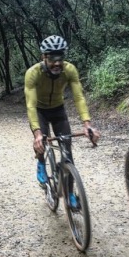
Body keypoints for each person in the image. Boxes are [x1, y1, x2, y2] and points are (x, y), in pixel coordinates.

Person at [24, 35, 100, 207]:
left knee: (68, 153)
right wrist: (37, 134)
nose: (57, 63)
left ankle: (70, 195)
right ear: (44, 57)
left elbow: (79, 97)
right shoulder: (33, 73)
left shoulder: (70, 70)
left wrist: (87, 124)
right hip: (40, 111)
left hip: (58, 110)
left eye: (60, 57)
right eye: (52, 58)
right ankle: (41, 162)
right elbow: (30, 105)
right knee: (41, 141)